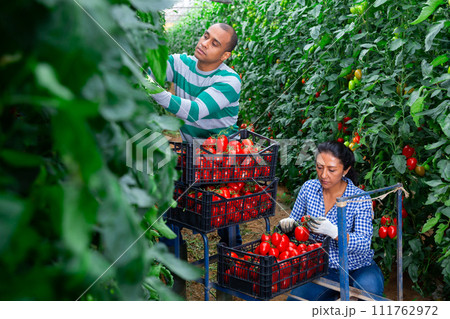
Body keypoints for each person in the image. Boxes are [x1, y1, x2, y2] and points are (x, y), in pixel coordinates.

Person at [147, 23, 243, 247]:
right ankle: (175, 268)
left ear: (225, 55)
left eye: (214, 43)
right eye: (206, 36)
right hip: (192, 155)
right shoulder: (180, 63)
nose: (204, 43)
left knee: (225, 211)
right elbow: (151, 68)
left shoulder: (230, 81)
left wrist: (150, 87)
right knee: (169, 206)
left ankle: (232, 256)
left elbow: (194, 111)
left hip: (222, 159)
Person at [279, 141, 384, 301]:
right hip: (323, 267)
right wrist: (289, 225)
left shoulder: (360, 199)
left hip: (359, 266)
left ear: (345, 170)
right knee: (296, 303)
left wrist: (336, 233)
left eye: (331, 170)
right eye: (319, 167)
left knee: (370, 295)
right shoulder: (309, 189)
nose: (323, 175)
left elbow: (363, 244)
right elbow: (295, 223)